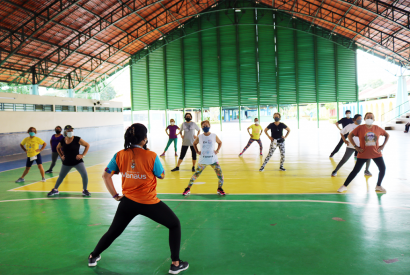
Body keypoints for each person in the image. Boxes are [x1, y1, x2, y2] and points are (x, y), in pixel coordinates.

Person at [88, 123, 189, 274]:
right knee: (174, 224)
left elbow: (106, 175)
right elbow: (161, 176)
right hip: (149, 202)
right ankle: (175, 263)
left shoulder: (119, 155)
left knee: (113, 231)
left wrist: (115, 195)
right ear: (144, 139)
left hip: (127, 202)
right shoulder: (151, 156)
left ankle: (93, 256)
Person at [338, 112, 390, 193]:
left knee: (382, 169)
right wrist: (356, 147)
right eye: (368, 117)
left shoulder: (377, 128)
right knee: (355, 170)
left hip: (376, 153)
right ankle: (344, 186)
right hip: (363, 153)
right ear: (365, 119)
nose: (369, 118)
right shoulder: (360, 128)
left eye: (371, 117)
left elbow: (387, 135)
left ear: (374, 119)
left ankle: (378, 185)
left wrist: (383, 146)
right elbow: (349, 136)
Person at [182, 120, 225, 196]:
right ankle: (188, 188)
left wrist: (217, 150)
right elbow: (194, 143)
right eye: (203, 126)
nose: (205, 127)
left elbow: (220, 142)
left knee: (220, 175)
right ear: (201, 127)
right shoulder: (200, 137)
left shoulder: (214, 135)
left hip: (213, 160)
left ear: (209, 126)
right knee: (195, 175)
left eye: (207, 125)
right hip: (203, 161)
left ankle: (220, 188)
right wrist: (197, 151)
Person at [47, 125, 91, 197]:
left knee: (84, 175)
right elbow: (57, 148)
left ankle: (85, 190)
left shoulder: (77, 139)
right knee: (61, 176)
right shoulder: (63, 140)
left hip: (77, 161)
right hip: (67, 162)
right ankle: (55, 189)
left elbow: (87, 145)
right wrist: (61, 155)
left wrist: (82, 155)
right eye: (69, 130)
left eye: (71, 130)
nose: (70, 131)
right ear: (65, 132)